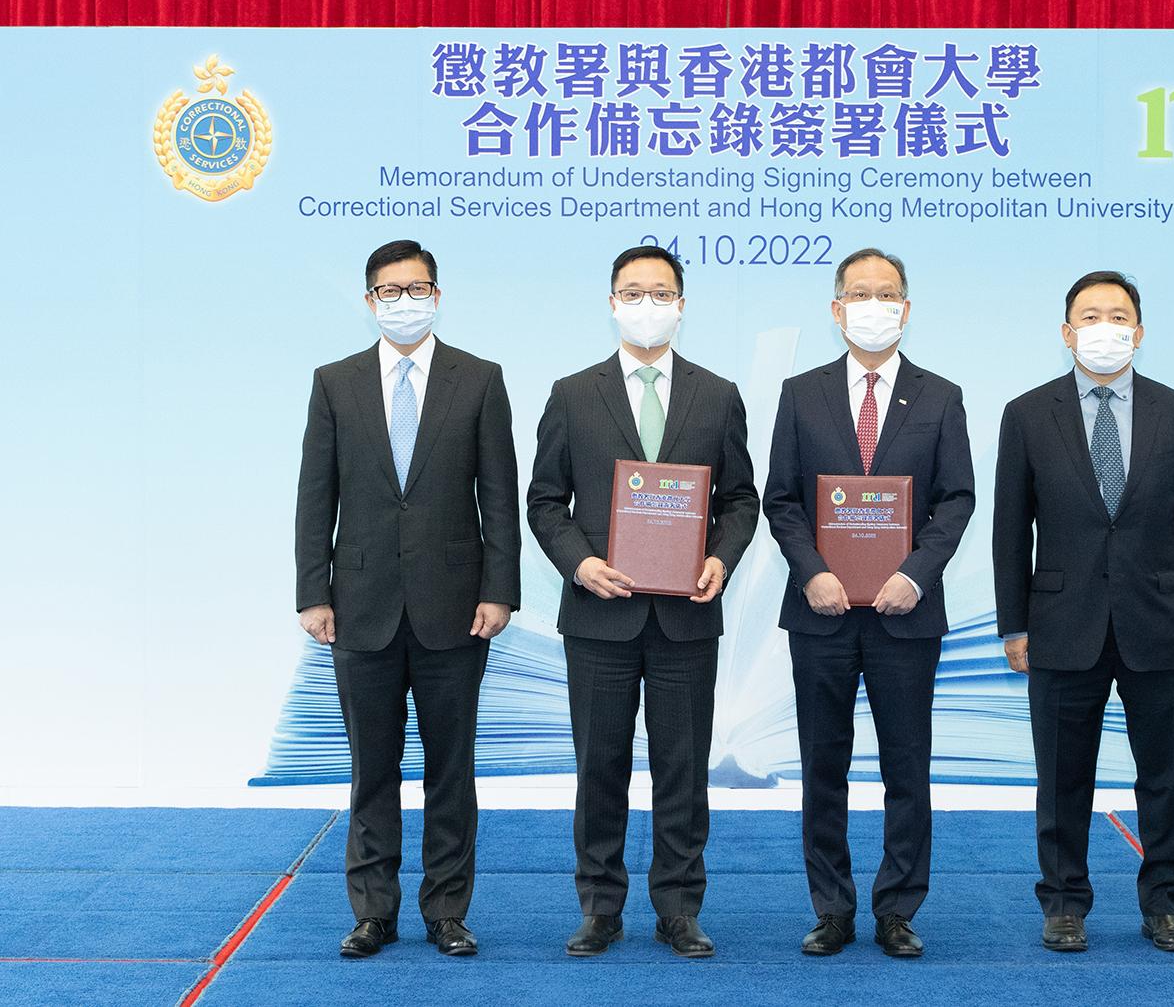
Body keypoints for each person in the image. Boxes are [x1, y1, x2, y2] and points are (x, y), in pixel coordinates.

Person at [527, 245, 759, 958]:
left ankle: (679, 907)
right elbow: (544, 500)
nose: (647, 304)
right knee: (600, 763)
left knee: (682, 767)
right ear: (611, 301)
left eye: (660, 292)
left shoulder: (716, 393)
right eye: (633, 291)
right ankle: (600, 905)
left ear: (681, 304)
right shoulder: (572, 392)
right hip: (599, 612)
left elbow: (740, 498)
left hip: (686, 615)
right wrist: (580, 562)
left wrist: (720, 556)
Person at [295, 239, 521, 958]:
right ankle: (373, 910)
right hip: (358, 606)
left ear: (437, 294)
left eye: (416, 287)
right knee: (373, 767)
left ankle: (446, 909)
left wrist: (500, 589)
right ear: (368, 302)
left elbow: (499, 496)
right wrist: (311, 590)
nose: (403, 300)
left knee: (451, 769)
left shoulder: (479, 379)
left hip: (456, 608)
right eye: (389, 291)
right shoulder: (335, 382)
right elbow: (315, 495)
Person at [993, 270, 1174, 954]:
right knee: (1062, 775)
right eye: (1088, 315)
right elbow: (1011, 529)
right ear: (1066, 332)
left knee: (1163, 774)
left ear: (1138, 331)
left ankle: (1164, 904)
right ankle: (1063, 901)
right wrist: (1014, 623)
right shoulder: (1026, 413)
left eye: (1116, 314)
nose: (1103, 325)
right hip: (1062, 625)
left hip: (1160, 621)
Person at [762, 248, 975, 958]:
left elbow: (955, 499)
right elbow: (782, 499)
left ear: (906, 309)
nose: (873, 305)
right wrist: (812, 570)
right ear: (836, 308)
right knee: (823, 764)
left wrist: (915, 572)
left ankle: (896, 908)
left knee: (905, 768)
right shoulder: (802, 392)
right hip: (819, 612)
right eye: (859, 293)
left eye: (887, 294)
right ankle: (830, 907)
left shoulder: (940, 396)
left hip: (905, 613)